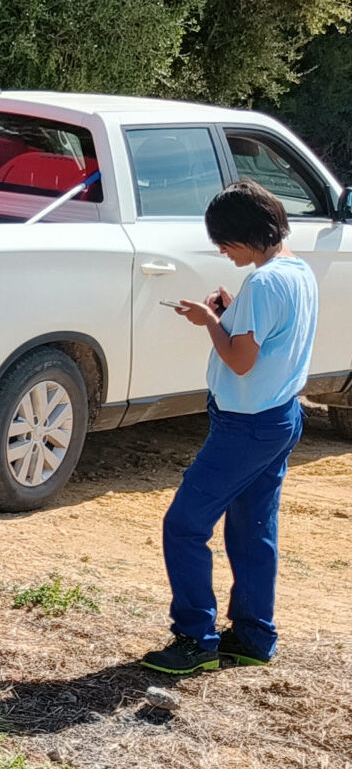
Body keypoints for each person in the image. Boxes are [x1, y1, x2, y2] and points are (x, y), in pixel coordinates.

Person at [141, 179, 319, 676]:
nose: (221, 248)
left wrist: (208, 321)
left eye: (224, 240)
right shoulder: (297, 271)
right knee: (253, 529)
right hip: (280, 415)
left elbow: (240, 359)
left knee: (184, 525)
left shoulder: (263, 283)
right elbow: (265, 336)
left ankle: (196, 638)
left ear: (249, 233)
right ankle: (253, 635)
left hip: (245, 424)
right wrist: (229, 311)